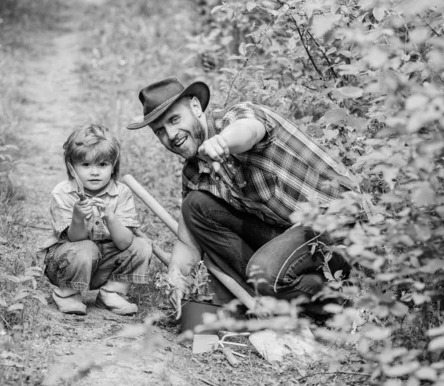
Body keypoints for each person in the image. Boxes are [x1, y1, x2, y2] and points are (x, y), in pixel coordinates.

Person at [127, 77, 363, 321]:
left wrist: (224, 142)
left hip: (338, 220)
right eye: (160, 131)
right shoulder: (194, 171)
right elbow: (188, 242)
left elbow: (249, 130)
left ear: (196, 107)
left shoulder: (235, 118)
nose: (171, 135)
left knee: (265, 273)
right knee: (195, 205)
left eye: (174, 120)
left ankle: (346, 306)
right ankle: (278, 294)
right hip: (293, 235)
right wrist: (176, 279)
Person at [38, 123, 152, 316]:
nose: (94, 172)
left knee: (142, 245)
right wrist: (78, 217)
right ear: (71, 167)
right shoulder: (63, 193)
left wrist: (110, 217)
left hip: (103, 266)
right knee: (87, 248)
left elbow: (125, 242)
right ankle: (67, 293)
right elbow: (75, 239)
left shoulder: (121, 193)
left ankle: (111, 292)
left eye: (102, 164)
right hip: (68, 264)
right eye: (85, 164)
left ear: (113, 165)